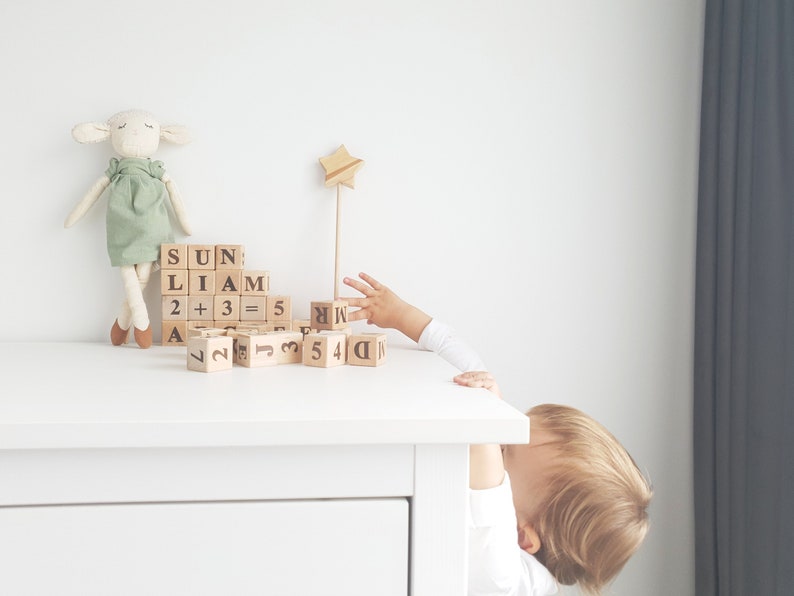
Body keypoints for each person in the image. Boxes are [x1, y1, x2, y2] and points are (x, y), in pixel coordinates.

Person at [342, 272, 653, 596]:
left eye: (504, 451)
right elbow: (469, 372)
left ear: (524, 537)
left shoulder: (508, 579)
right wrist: (402, 315)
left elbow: (490, 491)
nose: (497, 442)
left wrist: (486, 423)